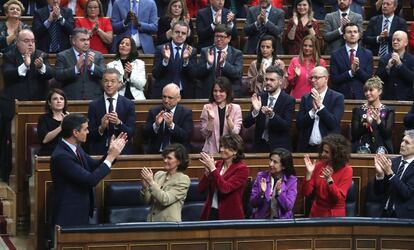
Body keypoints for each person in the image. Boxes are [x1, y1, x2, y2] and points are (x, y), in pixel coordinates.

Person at [50, 113, 127, 227]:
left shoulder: (76, 148)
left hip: (80, 211)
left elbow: (93, 166)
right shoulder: (62, 156)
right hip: (68, 215)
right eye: (85, 129)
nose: (88, 132)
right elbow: (90, 180)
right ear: (75, 133)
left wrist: (110, 154)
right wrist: (110, 157)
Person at [243, 66, 295, 152]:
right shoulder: (259, 97)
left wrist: (272, 115)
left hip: (279, 148)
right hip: (259, 146)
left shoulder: (288, 100)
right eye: (266, 79)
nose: (268, 82)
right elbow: (246, 124)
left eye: (272, 80)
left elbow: (286, 126)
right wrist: (255, 111)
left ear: (280, 81)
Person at [199, 134, 249, 220]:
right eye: (221, 146)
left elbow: (225, 188)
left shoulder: (242, 169)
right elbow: (201, 189)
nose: (221, 149)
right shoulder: (217, 164)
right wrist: (207, 174)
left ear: (235, 151)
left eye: (226, 147)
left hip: (230, 215)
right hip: (211, 212)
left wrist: (213, 169)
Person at [302, 133, 353, 217]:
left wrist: (329, 180)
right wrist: (308, 173)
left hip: (335, 216)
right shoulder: (319, 166)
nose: (322, 154)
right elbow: (306, 192)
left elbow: (338, 198)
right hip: (316, 213)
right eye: (322, 151)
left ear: (336, 153)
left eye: (326, 152)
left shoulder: (347, 170)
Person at [87, 68, 136, 155]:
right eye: (106, 81)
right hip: (99, 150)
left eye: (113, 81)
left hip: (122, 150)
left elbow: (131, 133)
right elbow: (89, 134)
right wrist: (101, 128)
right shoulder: (93, 105)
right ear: (102, 83)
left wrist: (118, 123)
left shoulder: (129, 104)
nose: (109, 84)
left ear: (119, 83)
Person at [296, 66, 344, 152]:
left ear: (326, 78)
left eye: (316, 77)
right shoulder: (306, 98)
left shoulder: (337, 97)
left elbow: (333, 123)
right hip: (307, 147)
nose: (313, 80)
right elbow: (299, 124)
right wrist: (313, 111)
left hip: (329, 149)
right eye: (312, 78)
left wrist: (320, 107)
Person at [140, 143, 191, 222]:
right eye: (164, 157)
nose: (165, 160)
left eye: (169, 158)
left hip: (169, 226)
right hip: (151, 223)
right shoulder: (158, 175)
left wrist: (151, 182)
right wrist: (145, 186)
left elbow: (165, 200)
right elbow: (147, 201)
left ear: (179, 161)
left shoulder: (183, 180)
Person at [2, 28, 55, 102]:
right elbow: (7, 75)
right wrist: (25, 65)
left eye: (33, 41)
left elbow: (51, 74)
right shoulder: (9, 56)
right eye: (26, 41)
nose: (30, 44)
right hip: (14, 101)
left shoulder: (41, 55)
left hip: (39, 101)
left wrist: (41, 67)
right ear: (17, 43)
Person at [55, 27, 105, 100]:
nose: (86, 43)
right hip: (71, 99)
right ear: (74, 41)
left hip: (93, 99)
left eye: (88, 39)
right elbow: (58, 76)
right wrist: (76, 68)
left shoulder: (97, 55)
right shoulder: (63, 56)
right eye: (83, 40)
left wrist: (92, 66)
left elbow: (104, 75)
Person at [373, 130, 414, 219]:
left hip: (404, 217)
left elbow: (406, 193)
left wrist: (390, 174)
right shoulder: (393, 162)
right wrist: (380, 175)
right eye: (402, 140)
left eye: (407, 143)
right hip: (384, 213)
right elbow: (378, 192)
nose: (402, 144)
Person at [152, 20, 197, 99]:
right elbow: (155, 74)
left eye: (183, 33)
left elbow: (193, 75)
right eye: (177, 32)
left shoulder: (191, 51)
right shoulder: (161, 49)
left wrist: (186, 61)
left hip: (184, 93)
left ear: (187, 35)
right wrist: (165, 60)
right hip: (164, 93)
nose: (180, 35)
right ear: (172, 33)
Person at [142, 83, 193, 153]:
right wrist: (156, 125)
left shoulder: (186, 113)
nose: (166, 101)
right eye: (164, 97)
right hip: (156, 153)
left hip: (177, 154)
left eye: (170, 98)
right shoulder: (154, 111)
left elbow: (186, 137)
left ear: (178, 98)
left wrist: (171, 125)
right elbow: (145, 136)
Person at [196, 24, 243, 98]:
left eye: (222, 37)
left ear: (229, 38)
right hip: (208, 93)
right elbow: (198, 74)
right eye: (216, 36)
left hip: (229, 93)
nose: (218, 39)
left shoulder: (236, 53)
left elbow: (237, 74)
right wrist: (208, 64)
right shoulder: (206, 51)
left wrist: (224, 64)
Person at [250, 148, 297, 219]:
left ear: (284, 166)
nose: (270, 164)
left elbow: (288, 206)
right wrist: (261, 193)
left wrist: (279, 194)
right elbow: (253, 203)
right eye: (270, 160)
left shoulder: (291, 180)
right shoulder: (261, 176)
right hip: (262, 221)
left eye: (275, 162)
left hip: (283, 223)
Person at [351, 77, 394, 154]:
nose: (367, 93)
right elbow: (354, 135)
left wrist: (378, 121)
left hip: (382, 147)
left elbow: (387, 135)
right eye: (366, 91)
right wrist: (367, 125)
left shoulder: (388, 111)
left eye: (371, 90)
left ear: (380, 91)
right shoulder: (358, 110)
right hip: (362, 146)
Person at [330, 22, 373, 99]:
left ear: (359, 35)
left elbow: (369, 79)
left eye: (355, 32)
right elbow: (334, 79)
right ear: (344, 36)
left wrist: (357, 70)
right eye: (349, 32)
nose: (352, 34)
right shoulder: (336, 54)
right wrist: (351, 72)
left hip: (362, 96)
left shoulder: (368, 54)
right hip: (341, 96)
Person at [200, 77, 242, 154]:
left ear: (227, 92)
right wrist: (211, 120)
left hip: (230, 152)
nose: (217, 94)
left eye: (221, 91)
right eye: (215, 91)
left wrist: (228, 119)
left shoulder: (236, 108)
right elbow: (205, 134)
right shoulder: (207, 108)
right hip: (211, 151)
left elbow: (236, 133)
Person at [376, 30, 414, 101]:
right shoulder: (385, 58)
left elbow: (412, 78)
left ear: (406, 43)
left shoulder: (412, 59)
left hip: (407, 100)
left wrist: (400, 65)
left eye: (398, 40)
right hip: (388, 99)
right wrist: (388, 67)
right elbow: (377, 80)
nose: (395, 42)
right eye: (393, 40)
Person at [107, 36, 147, 100]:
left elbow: (141, 84)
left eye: (127, 44)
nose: (123, 45)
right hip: (118, 99)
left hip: (137, 98)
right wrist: (124, 78)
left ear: (132, 48)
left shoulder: (139, 63)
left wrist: (130, 75)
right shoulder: (111, 65)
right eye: (122, 43)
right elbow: (111, 88)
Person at [287, 34, 326, 99]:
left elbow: (323, 83)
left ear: (315, 47)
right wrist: (296, 77)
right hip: (297, 97)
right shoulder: (295, 61)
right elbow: (290, 83)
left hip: (314, 98)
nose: (307, 48)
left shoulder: (321, 62)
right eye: (305, 45)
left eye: (310, 46)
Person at [37, 88, 69, 156]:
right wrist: (61, 126)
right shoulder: (43, 118)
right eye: (55, 99)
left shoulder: (69, 118)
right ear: (49, 102)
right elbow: (44, 140)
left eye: (61, 99)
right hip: (49, 153)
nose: (59, 101)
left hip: (67, 152)